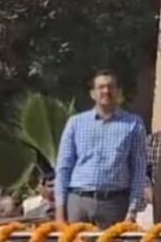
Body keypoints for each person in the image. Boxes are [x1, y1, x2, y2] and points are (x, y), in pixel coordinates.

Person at [55, 70, 148, 227]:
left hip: (114, 203)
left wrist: (133, 210)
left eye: (111, 87)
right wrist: (59, 212)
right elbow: (63, 167)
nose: (106, 91)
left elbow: (139, 170)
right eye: (101, 87)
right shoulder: (76, 123)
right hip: (78, 202)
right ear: (93, 93)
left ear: (118, 92)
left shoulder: (134, 124)